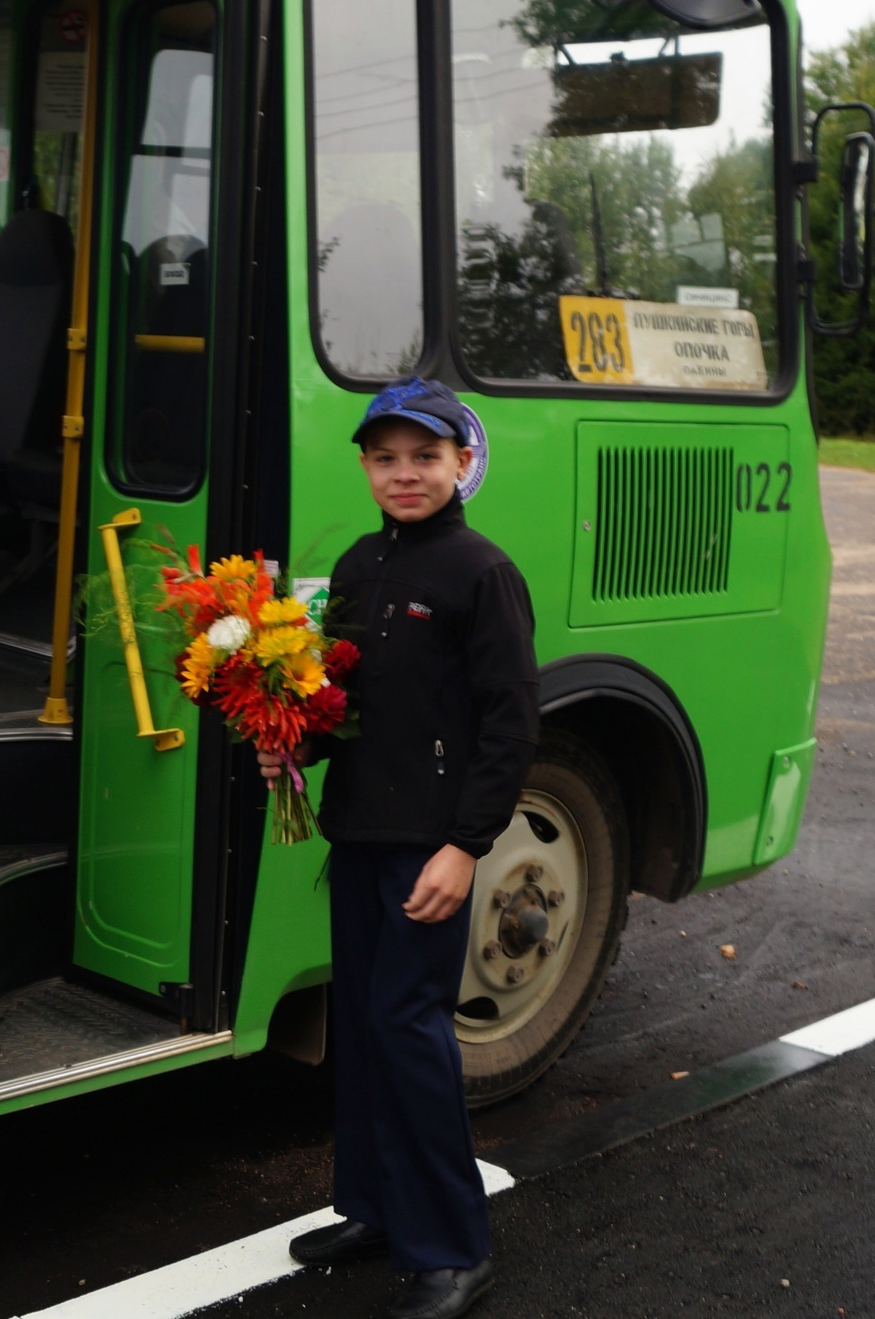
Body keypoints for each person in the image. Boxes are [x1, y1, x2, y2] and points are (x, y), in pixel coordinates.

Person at [257, 377, 539, 1319]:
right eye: (386, 458)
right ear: (366, 468)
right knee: (370, 1029)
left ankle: (453, 1248)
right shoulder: (358, 568)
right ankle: (375, 1208)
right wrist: (294, 740)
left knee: (414, 1032)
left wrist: (465, 848)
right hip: (361, 831)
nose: (405, 473)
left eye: (425, 457)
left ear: (463, 464)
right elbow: (345, 704)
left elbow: (510, 726)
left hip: (429, 847)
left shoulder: (481, 572)